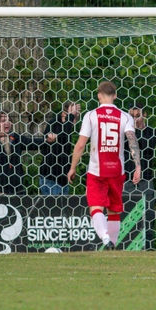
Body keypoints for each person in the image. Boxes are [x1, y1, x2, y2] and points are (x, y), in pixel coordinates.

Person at [67, 81, 141, 250]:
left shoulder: (91, 115)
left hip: (96, 170)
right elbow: (132, 141)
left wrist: (73, 167)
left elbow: (80, 145)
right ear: (115, 96)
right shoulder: (125, 117)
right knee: (114, 210)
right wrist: (138, 166)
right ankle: (112, 245)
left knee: (95, 206)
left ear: (99, 95)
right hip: (117, 170)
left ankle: (106, 240)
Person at [0, 111, 56, 195]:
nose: (7, 122)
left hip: (17, 191)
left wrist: (46, 141)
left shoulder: (15, 138)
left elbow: (31, 143)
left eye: (9, 120)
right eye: (3, 120)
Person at [123, 104, 156, 250]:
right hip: (127, 181)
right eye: (132, 116)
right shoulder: (125, 133)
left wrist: (137, 133)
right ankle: (127, 247)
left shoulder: (151, 133)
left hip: (146, 180)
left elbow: (146, 147)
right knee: (127, 217)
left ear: (145, 115)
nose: (135, 119)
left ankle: (148, 248)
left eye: (138, 116)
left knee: (148, 216)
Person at [39, 101, 81, 195]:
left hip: (63, 179)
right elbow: (62, 135)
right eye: (74, 117)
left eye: (76, 117)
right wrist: (70, 116)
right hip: (51, 179)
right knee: (53, 208)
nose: (74, 120)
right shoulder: (53, 124)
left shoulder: (67, 127)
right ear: (63, 114)